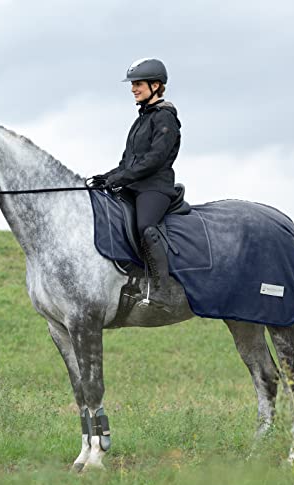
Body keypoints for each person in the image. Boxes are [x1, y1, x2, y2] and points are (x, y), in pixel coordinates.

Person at [92, 58, 182, 311]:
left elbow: (154, 161)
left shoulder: (165, 118)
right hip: (134, 186)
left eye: (138, 84)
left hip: (155, 187)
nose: (133, 89)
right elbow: (127, 162)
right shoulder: (141, 120)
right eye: (133, 84)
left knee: (145, 227)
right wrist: (106, 177)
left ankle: (163, 291)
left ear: (156, 86)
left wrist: (120, 179)